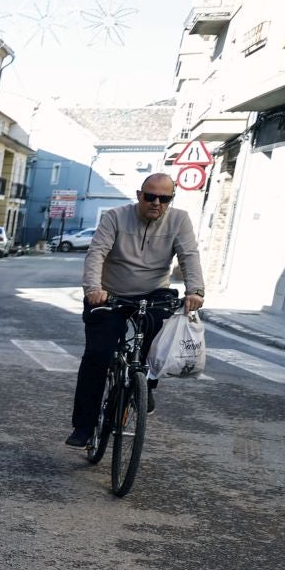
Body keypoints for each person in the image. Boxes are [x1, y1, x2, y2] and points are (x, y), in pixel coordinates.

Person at [66, 173, 206, 447]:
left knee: (159, 339)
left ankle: (146, 383)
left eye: (164, 198)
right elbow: (97, 253)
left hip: (154, 292)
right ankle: (83, 426)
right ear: (139, 195)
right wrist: (93, 289)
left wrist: (195, 290)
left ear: (170, 200)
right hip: (109, 293)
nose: (156, 203)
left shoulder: (179, 220)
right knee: (98, 354)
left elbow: (189, 255)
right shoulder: (115, 217)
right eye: (150, 196)